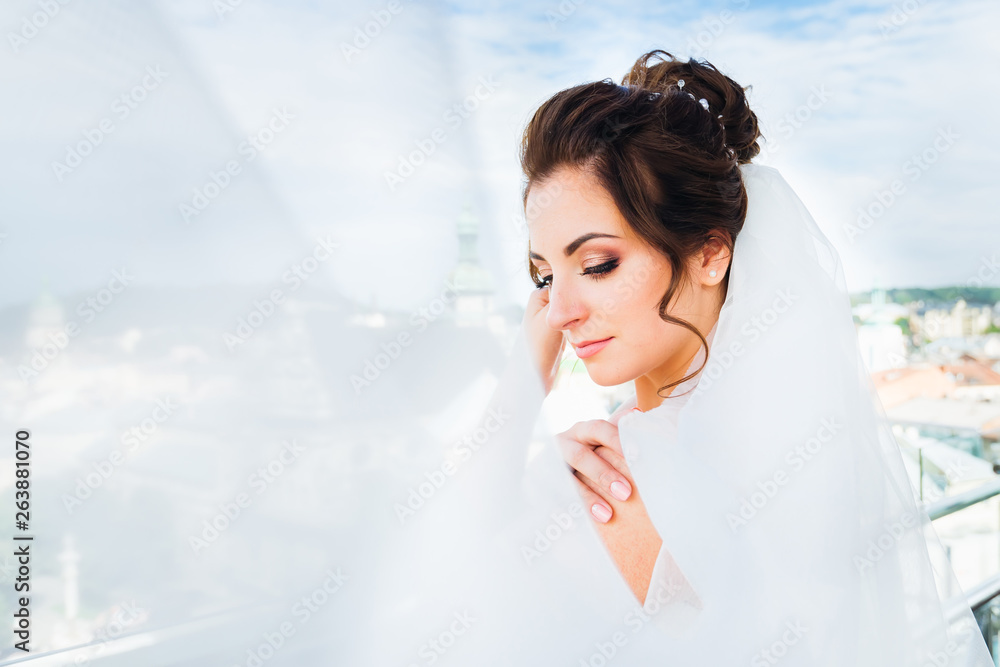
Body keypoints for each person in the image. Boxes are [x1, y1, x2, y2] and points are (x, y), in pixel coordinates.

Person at [351, 50, 995, 665]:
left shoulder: (613, 481)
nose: (556, 310)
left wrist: (524, 387)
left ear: (711, 253)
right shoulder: (806, 444)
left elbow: (424, 618)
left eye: (598, 264)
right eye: (543, 276)